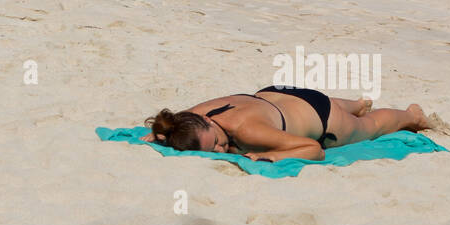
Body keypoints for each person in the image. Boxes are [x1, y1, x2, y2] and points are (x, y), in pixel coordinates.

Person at [142, 86, 429, 162]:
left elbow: (313, 148)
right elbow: (171, 124)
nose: (220, 150)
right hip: (280, 93)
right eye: (213, 150)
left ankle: (412, 116)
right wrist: (159, 134)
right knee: (334, 104)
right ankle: (357, 103)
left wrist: (274, 154)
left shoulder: (245, 131)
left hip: (321, 118)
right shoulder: (196, 115)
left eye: (217, 142)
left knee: (370, 127)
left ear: (206, 122)